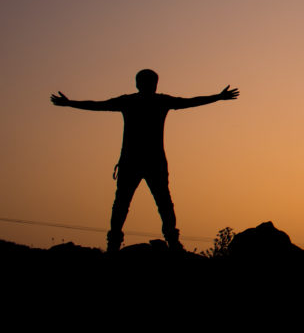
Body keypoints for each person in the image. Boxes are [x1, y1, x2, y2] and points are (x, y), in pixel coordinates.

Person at [51, 69, 239, 253]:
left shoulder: (139, 101)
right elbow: (189, 102)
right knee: (147, 203)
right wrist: (218, 97)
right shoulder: (148, 101)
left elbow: (98, 105)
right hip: (143, 161)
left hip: (142, 161)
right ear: (146, 84)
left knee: (138, 203)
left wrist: (69, 103)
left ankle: (134, 242)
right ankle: (157, 242)